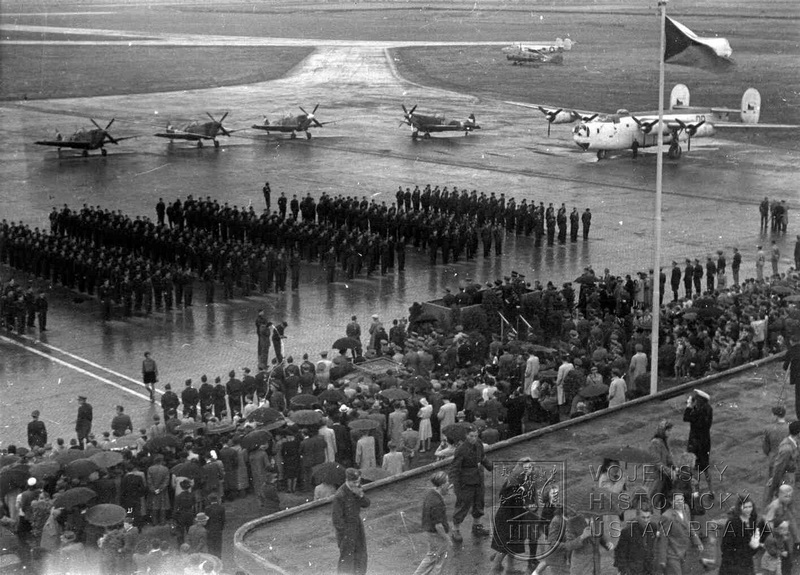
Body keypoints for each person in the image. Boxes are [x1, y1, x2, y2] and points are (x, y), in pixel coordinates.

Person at [449, 425, 493, 541]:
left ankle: (476, 526)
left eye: (475, 436)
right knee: (463, 505)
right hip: (466, 481)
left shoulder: (478, 444)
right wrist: (453, 482)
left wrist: (489, 466)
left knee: (479, 502)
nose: (474, 438)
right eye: (471, 436)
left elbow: (482, 457)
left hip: (478, 478)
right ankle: (455, 530)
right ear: (466, 436)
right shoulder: (461, 449)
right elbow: (455, 466)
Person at [331, 468, 370, 575]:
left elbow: (367, 504)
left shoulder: (357, 489)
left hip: (357, 526)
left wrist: (361, 495)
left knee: (361, 555)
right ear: (347, 480)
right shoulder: (340, 495)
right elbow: (337, 520)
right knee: (347, 559)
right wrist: (346, 534)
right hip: (346, 530)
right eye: (354, 482)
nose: (357, 484)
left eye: (358, 481)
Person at [412, 471, 452, 575]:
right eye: (447, 482)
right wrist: (447, 539)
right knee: (437, 560)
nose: (449, 484)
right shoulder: (437, 502)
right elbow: (438, 525)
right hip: (437, 535)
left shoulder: (430, 494)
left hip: (430, 532)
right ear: (442, 485)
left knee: (433, 557)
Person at [656, 491, 703, 575]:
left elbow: (689, 525)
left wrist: (697, 541)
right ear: (671, 502)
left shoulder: (685, 509)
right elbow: (663, 538)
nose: (680, 502)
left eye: (682, 499)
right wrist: (662, 560)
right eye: (677, 500)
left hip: (684, 552)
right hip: (672, 554)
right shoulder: (666, 516)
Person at [717, 494, 760, 575]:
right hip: (732, 562)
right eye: (745, 507)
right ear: (740, 507)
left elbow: (753, 543)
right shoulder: (733, 522)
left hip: (747, 561)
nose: (748, 510)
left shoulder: (752, 520)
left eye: (750, 507)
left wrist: (755, 546)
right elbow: (725, 545)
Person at [683, 389, 713, 491]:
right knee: (706, 467)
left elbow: (686, 417)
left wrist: (688, 405)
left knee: (694, 468)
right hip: (705, 442)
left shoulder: (698, 411)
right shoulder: (708, 409)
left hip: (695, 443)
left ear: (700, 400)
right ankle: (710, 490)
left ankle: (696, 491)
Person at [614, 503, 657, 575]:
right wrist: (623, 570)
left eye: (648, 517)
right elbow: (620, 553)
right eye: (643, 517)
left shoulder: (653, 527)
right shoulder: (627, 531)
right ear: (637, 516)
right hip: (633, 570)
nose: (646, 520)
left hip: (649, 568)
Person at [768, 420, 800, 502]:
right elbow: (779, 468)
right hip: (786, 479)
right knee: (782, 502)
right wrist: (774, 484)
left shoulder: (795, 442)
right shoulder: (787, 448)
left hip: (791, 476)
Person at [785, 336, 800, 420]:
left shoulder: (790, 352)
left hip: (798, 378)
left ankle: (799, 418)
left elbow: (785, 367)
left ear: (791, 341)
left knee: (798, 399)